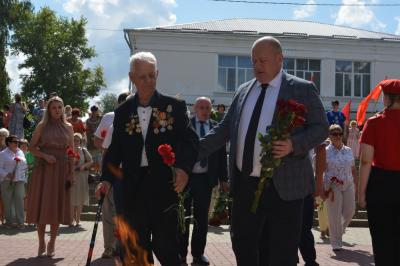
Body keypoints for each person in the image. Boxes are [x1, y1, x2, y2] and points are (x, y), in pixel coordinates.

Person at [198, 36, 328, 266]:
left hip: (285, 188)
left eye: (263, 60)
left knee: (282, 253)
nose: (257, 66)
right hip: (245, 185)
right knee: (243, 245)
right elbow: (224, 129)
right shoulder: (243, 91)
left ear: (280, 59)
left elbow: (321, 129)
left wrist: (293, 144)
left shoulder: (302, 89)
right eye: (254, 61)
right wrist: (191, 151)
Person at [97, 51, 198, 265]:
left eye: (152, 75)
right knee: (135, 249)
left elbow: (190, 141)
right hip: (132, 188)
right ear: (132, 78)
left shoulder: (173, 107)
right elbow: (116, 149)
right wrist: (105, 179)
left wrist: (183, 169)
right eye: (142, 77)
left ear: (157, 74)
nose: (148, 81)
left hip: (165, 186)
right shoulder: (123, 111)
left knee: (166, 246)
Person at [179, 97, 228, 265]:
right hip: (186, 178)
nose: (205, 110)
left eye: (207, 107)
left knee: (201, 219)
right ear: (194, 108)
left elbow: (222, 155)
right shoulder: (185, 126)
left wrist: (224, 178)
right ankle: (180, 254)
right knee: (183, 217)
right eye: (201, 107)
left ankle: (198, 254)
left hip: (205, 180)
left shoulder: (216, 128)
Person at [26, 96, 74, 257]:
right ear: (48, 109)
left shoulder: (68, 127)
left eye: (60, 107)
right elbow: (31, 148)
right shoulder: (42, 126)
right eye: (54, 107)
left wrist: (71, 173)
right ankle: (41, 241)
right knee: (43, 206)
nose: (57, 110)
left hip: (61, 170)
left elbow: (71, 153)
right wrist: (45, 156)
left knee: (56, 207)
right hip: (44, 170)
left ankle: (52, 241)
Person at [359, 79, 400, 266]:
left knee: (382, 238)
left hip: (381, 184)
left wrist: (361, 194)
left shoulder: (374, 122)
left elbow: (366, 161)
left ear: (387, 98)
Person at [94, 92, 130, 259]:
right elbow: (107, 152)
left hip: (133, 177)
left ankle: (123, 247)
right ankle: (109, 247)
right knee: (109, 212)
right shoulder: (113, 124)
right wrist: (104, 178)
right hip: (114, 175)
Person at [324, 124, 357, 251]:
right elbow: (318, 167)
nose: (337, 136)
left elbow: (353, 169)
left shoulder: (348, 150)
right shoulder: (325, 151)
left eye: (339, 133)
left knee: (350, 211)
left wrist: (357, 185)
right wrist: (321, 187)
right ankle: (336, 242)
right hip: (332, 185)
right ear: (330, 136)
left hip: (348, 183)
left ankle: (338, 230)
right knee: (334, 214)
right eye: (334, 134)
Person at [298, 142, 326, 266]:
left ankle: (310, 260)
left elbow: (320, 149)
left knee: (304, 226)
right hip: (277, 183)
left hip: (304, 183)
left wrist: (319, 182)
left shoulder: (309, 122)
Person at [0, 135, 27, 229]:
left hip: (19, 180)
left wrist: (20, 172)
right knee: (8, 201)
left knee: (19, 199)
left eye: (18, 142)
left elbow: (24, 165)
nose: (17, 143)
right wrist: (6, 174)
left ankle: (21, 222)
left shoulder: (20, 152)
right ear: (9, 143)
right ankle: (9, 222)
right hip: (7, 181)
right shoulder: (3, 154)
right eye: (15, 142)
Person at [70, 133, 92, 227]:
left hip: (82, 176)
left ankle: (78, 220)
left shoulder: (84, 151)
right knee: (71, 199)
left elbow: (90, 161)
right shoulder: (69, 151)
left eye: (77, 140)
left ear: (80, 141)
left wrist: (83, 166)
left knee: (80, 198)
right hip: (71, 176)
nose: (75, 142)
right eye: (74, 140)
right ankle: (71, 220)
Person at [85, 105, 102, 174]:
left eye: (95, 111)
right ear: (91, 111)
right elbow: (87, 131)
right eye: (93, 111)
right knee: (91, 159)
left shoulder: (101, 118)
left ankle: (98, 173)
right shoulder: (88, 121)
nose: (94, 112)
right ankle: (92, 174)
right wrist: (91, 137)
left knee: (99, 160)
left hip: (100, 142)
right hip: (91, 142)